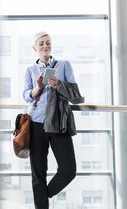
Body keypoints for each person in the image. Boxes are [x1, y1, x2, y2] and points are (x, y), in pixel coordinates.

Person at [23, 31, 83, 209]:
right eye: (41, 43)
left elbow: (75, 96)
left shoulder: (64, 65)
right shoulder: (30, 70)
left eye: (47, 42)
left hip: (58, 123)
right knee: (38, 173)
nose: (45, 46)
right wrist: (38, 87)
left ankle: (45, 193)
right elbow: (27, 96)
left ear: (51, 45)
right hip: (36, 124)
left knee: (68, 170)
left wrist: (58, 84)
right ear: (35, 48)